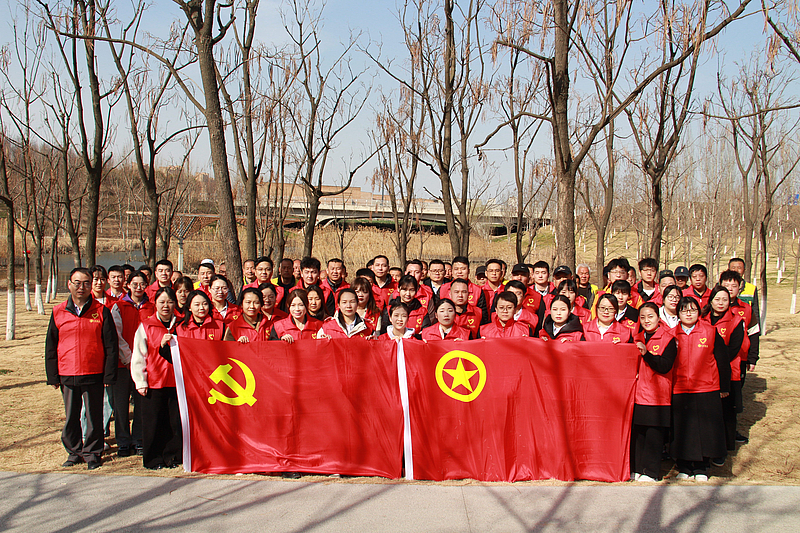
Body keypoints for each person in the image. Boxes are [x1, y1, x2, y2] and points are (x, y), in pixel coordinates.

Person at [45, 267, 119, 470]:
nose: (82, 287)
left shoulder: (101, 311)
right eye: (77, 283)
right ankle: (74, 451)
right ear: (69, 284)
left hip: (94, 372)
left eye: (86, 283)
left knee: (94, 416)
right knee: (72, 416)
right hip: (67, 373)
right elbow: (51, 345)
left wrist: (109, 374)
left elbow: (111, 346)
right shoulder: (59, 311)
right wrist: (53, 376)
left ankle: (93, 453)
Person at [671, 296, 728, 481]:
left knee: (705, 429)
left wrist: (724, 386)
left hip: (706, 387)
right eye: (684, 310)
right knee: (683, 428)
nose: (688, 314)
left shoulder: (710, 331)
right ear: (678, 314)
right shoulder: (671, 334)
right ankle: (684, 466)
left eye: (693, 310)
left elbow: (722, 359)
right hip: (680, 387)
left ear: (699, 312)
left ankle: (702, 467)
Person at [130, 287, 182, 469]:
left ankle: (172, 456)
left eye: (170, 302)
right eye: (162, 302)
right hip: (154, 381)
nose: (166, 306)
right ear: (155, 304)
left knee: (174, 422)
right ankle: (153, 458)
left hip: (176, 381)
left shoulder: (181, 324)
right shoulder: (146, 326)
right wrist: (140, 381)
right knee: (153, 423)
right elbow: (139, 355)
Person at [631, 302, 677, 481]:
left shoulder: (668, 338)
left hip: (658, 395)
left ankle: (651, 471)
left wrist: (647, 354)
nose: (646, 320)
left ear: (659, 318)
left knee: (654, 435)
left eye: (650, 316)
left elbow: (665, 366)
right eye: (642, 317)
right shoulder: (636, 337)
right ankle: (637, 468)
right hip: (638, 394)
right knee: (639, 434)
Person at [110, 271, 154, 457]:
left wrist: (140, 361)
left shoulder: (152, 307)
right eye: (134, 284)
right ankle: (123, 441)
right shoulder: (118, 306)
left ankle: (138, 439)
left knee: (141, 404)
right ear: (128, 285)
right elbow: (116, 335)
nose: (138, 287)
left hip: (145, 364)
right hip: (123, 365)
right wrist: (129, 359)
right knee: (121, 406)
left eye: (142, 284)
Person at [701, 286, 745, 463]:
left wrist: (713, 357)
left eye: (725, 300)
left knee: (727, 412)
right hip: (705, 372)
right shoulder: (702, 318)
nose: (721, 303)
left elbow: (733, 349)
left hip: (728, 372)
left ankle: (724, 449)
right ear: (711, 300)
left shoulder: (736, 321)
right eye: (717, 299)